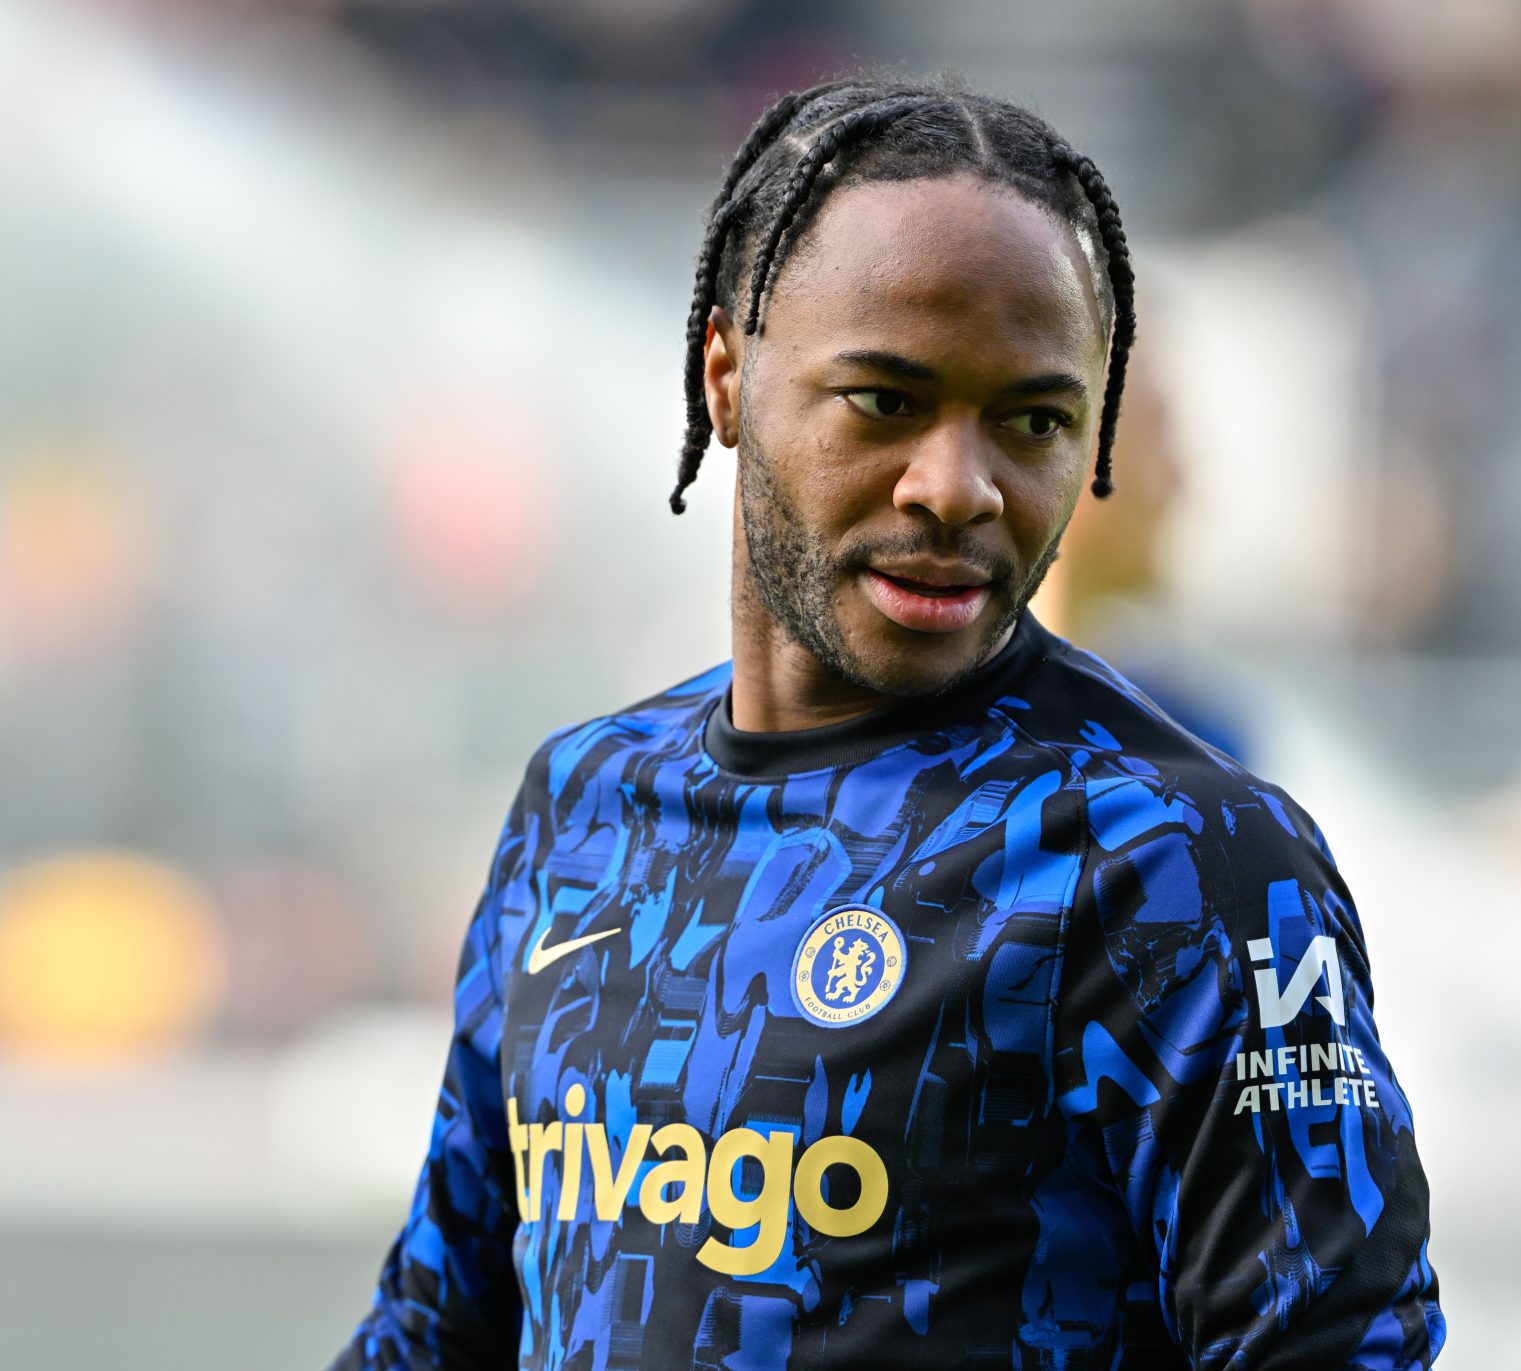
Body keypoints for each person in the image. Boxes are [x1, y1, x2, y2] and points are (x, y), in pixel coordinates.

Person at [332, 73, 1445, 1370]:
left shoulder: (1174, 860)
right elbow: (439, 1322)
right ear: (725, 377)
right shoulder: (581, 808)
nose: (956, 487)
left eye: (1032, 420)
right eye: (885, 400)